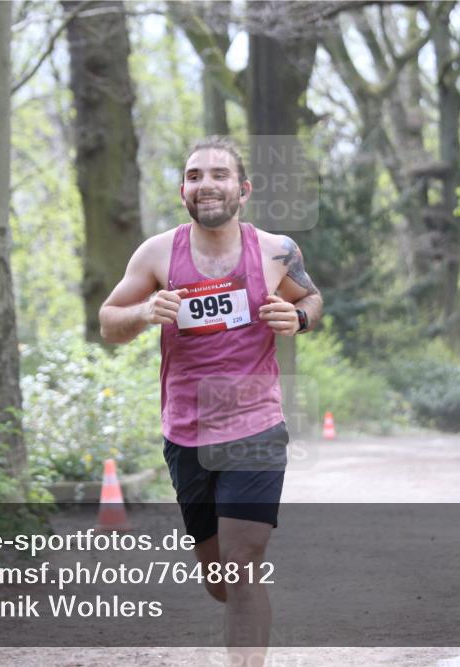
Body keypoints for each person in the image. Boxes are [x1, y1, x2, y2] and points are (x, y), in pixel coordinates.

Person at [99, 136, 323, 666]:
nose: (206, 184)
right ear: (183, 190)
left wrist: (301, 318)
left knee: (242, 566)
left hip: (256, 427)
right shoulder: (157, 253)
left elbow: (310, 297)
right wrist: (146, 310)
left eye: (219, 174)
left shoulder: (275, 250)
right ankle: (246, 602)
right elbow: (110, 322)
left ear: (242, 189)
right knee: (220, 579)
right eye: (195, 175)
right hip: (187, 433)